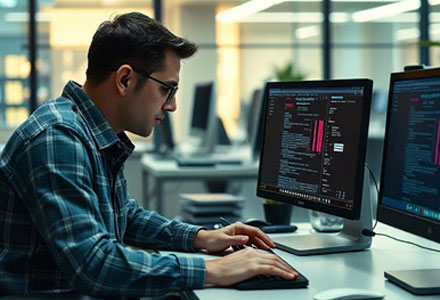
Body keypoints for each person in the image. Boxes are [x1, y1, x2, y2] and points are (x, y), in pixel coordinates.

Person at [0, 12, 297, 298]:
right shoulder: (58, 137)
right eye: (168, 89)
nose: (172, 106)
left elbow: (124, 215)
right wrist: (214, 269)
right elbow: (93, 264)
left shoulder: (91, 131)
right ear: (125, 80)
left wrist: (201, 237)